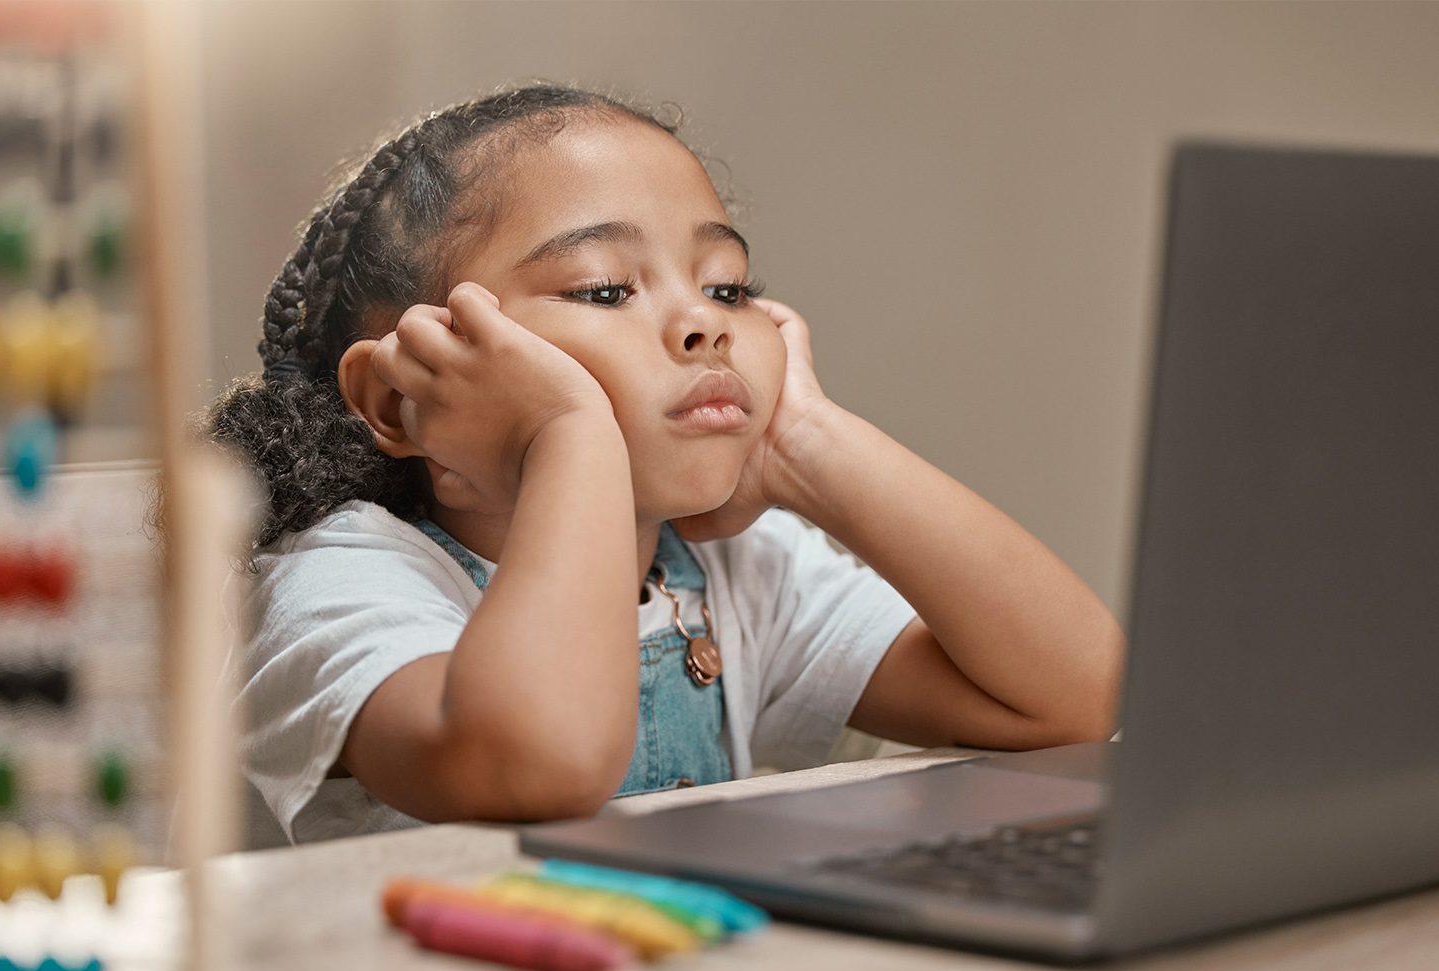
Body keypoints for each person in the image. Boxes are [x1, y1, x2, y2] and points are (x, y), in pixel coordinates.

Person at [207, 82, 1124, 844]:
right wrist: (569, 430)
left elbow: (1075, 697)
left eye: (728, 287)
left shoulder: (731, 575)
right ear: (402, 398)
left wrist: (808, 440)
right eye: (605, 288)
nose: (706, 323)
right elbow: (535, 764)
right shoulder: (341, 585)